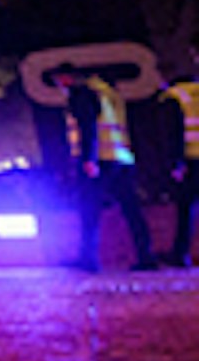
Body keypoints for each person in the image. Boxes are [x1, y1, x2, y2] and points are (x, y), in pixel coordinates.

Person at [65, 70, 154, 273]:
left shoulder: (82, 93)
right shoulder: (110, 94)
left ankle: (88, 260)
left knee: (89, 211)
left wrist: (89, 158)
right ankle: (146, 256)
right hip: (121, 157)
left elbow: (88, 126)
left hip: (100, 160)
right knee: (132, 211)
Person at [149, 72, 199, 268]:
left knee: (186, 209)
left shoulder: (175, 97)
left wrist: (175, 163)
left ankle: (181, 254)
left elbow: (172, 133)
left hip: (190, 159)